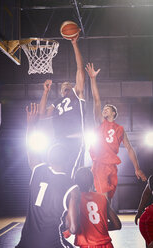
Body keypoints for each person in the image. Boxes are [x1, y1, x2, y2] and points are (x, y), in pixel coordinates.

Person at [15, 103, 80, 248]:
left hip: (25, 243)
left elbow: (30, 148)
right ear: (67, 161)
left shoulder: (38, 169)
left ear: (49, 158)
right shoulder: (71, 186)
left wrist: (30, 124)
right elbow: (74, 228)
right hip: (52, 243)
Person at [85, 63, 147, 199]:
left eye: (108, 108)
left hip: (112, 166)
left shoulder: (120, 129)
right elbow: (96, 100)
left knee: (109, 199)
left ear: (114, 112)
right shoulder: (101, 122)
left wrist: (137, 168)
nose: (104, 109)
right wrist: (92, 79)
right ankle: (105, 220)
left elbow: (130, 149)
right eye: (104, 108)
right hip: (100, 163)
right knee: (103, 197)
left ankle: (107, 219)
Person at [39, 33, 85, 178]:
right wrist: (45, 93)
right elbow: (42, 115)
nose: (66, 86)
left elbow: (79, 69)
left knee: (71, 175)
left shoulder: (76, 95)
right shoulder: (57, 102)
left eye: (69, 85)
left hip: (74, 140)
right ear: (60, 91)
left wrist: (74, 44)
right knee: (56, 175)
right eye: (64, 87)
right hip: (59, 141)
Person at [74, 167, 121, 248]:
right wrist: (99, 228)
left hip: (88, 245)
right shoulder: (102, 198)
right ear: (92, 182)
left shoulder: (75, 200)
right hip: (107, 245)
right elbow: (117, 225)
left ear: (75, 182)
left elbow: (72, 228)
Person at [135, 175, 153, 248]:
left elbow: (146, 193)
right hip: (149, 219)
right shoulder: (152, 179)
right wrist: (139, 211)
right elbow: (146, 193)